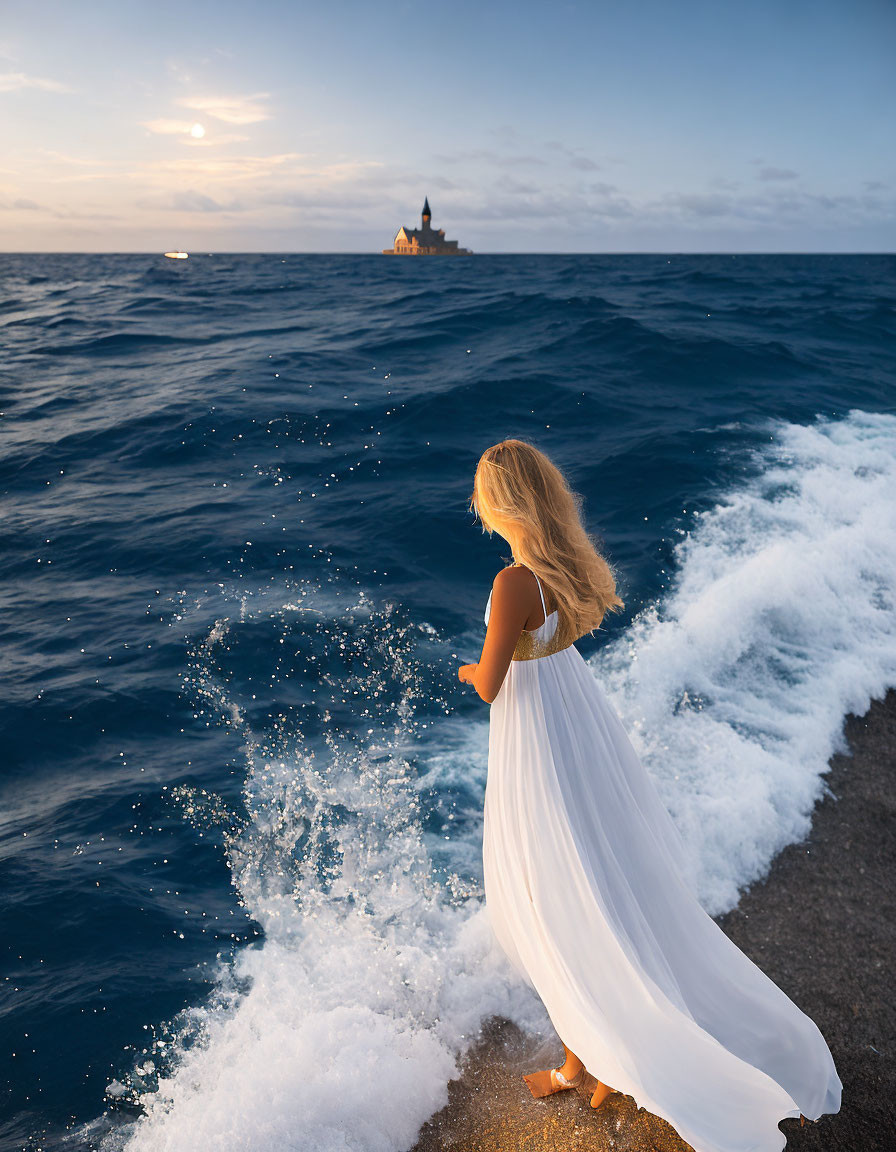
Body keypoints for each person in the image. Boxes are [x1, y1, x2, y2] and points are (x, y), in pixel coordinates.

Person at [457, 439, 841, 1152]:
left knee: (561, 903)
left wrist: (463, 669)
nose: (474, 501)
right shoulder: (556, 568)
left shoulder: (513, 582)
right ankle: (592, 1062)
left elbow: (491, 682)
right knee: (598, 887)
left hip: (539, 748)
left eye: (480, 491)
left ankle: (593, 1065)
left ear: (498, 504)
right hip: (579, 732)